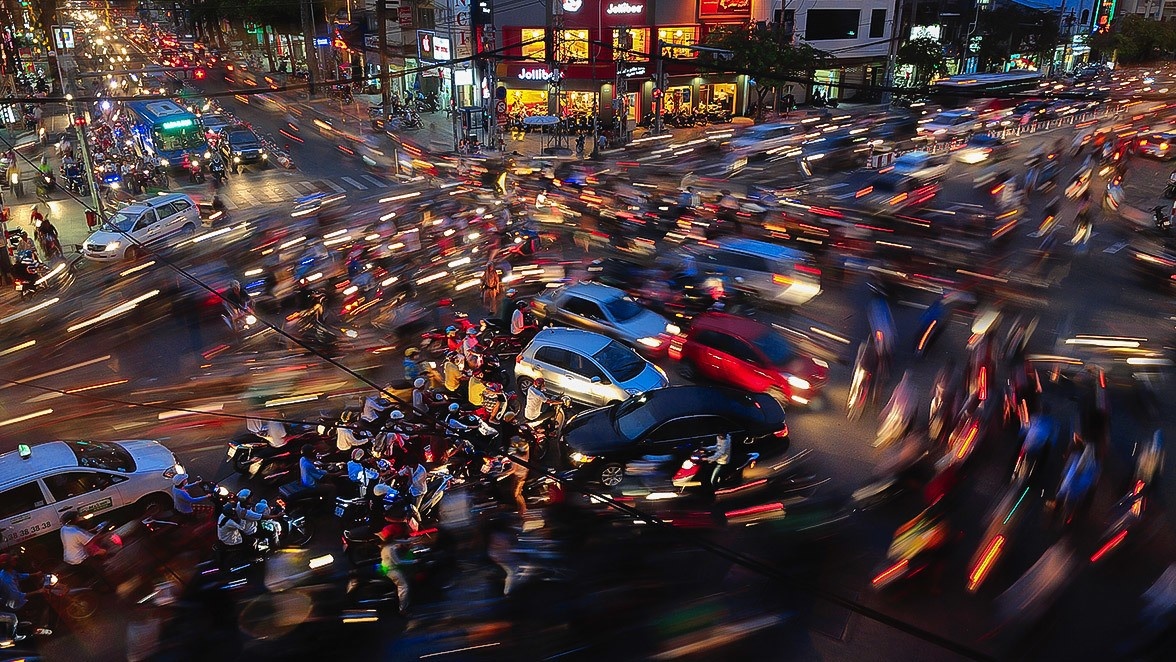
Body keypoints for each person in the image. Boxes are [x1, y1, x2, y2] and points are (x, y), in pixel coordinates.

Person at [504, 437, 530, 515]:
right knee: (517, 493)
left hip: (519, 476)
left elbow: (513, 470)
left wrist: (501, 475)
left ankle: (523, 509)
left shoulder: (516, 457)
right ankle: (522, 508)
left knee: (516, 494)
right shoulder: (525, 453)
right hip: (523, 473)